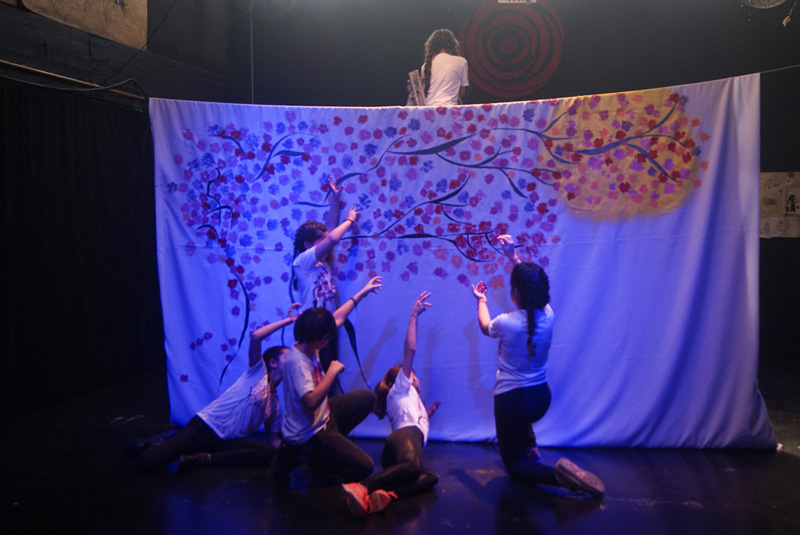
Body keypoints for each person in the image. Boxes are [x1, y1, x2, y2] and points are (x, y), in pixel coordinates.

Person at [469, 235, 605, 497]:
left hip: (512, 402)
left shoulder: (506, 322)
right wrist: (513, 257)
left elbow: (485, 327)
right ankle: (530, 447)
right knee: (522, 420)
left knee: (515, 467)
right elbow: (533, 289)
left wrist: (481, 300)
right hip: (540, 399)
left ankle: (559, 477)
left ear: (515, 293)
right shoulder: (549, 316)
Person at [132, 305, 300, 472]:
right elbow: (256, 336)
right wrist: (288, 320)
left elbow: (273, 441)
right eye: (288, 356)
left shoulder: (275, 405)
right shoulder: (258, 373)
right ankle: (156, 443)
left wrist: (301, 451)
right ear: (273, 363)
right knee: (145, 464)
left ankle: (201, 459)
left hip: (225, 442)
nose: (293, 360)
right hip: (205, 428)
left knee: (266, 452)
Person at [341, 291, 441, 516]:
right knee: (412, 467)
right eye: (413, 375)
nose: (416, 378)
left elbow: (411, 417)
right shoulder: (401, 387)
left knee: (429, 477)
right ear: (407, 378)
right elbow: (411, 350)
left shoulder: (405, 398)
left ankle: (387, 495)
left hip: (397, 449)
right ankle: (362, 486)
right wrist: (414, 316)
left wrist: (427, 414)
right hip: (406, 438)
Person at [274, 277, 383, 484]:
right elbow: (311, 401)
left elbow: (338, 318)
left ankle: (328, 449)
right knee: (364, 466)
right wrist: (332, 371)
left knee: (367, 397)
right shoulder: (298, 363)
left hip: (323, 416)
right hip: (308, 434)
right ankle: (306, 458)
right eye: (328, 338)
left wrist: (362, 293)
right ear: (321, 339)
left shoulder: (309, 342)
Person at [291, 178, 359, 377]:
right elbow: (332, 238)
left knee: (328, 374)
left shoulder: (322, 261)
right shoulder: (303, 261)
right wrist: (349, 221)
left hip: (326, 325)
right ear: (308, 245)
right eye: (321, 241)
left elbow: (330, 230)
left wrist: (335, 200)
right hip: (311, 328)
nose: (327, 244)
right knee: (316, 377)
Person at [421, 29, 469, 106]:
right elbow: (461, 93)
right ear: (453, 44)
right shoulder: (461, 62)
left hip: (430, 109)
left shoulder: (425, 66)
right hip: (450, 109)